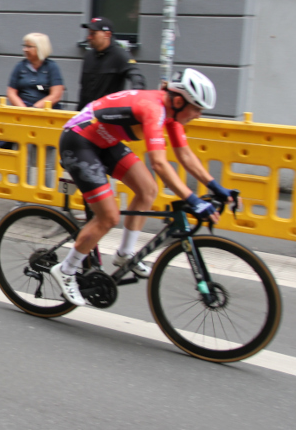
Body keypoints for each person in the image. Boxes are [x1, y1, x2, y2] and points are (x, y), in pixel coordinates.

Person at [52, 68, 236, 306]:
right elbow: (159, 163)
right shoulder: (154, 109)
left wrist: (216, 187)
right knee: (108, 217)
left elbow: (185, 156)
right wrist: (193, 200)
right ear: (179, 101)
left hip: (104, 142)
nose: (199, 115)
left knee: (148, 189)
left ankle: (124, 254)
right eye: (197, 109)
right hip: (79, 141)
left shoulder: (172, 113)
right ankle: (66, 269)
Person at [4, 32, 64, 187]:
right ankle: (22, 197)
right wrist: (24, 109)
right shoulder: (20, 67)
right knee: (23, 159)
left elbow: (56, 94)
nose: (25, 49)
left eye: (29, 46)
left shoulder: (51, 67)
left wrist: (35, 109)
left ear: (40, 48)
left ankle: (46, 196)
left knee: (45, 163)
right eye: (24, 46)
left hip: (45, 119)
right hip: (23, 118)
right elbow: (11, 92)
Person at [76, 17, 145, 111]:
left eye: (93, 34)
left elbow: (136, 76)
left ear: (107, 34)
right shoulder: (89, 56)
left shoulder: (120, 54)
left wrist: (134, 100)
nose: (89, 37)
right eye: (89, 33)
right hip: (87, 114)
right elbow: (83, 91)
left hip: (108, 116)